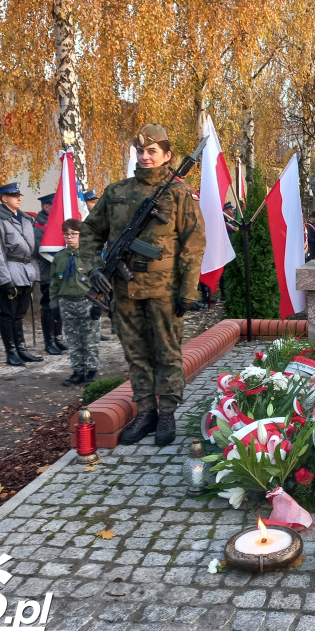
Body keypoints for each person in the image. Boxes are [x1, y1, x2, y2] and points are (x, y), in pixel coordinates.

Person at [80, 124, 206, 447]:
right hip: (124, 289)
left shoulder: (179, 194)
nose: (145, 156)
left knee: (166, 353)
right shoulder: (116, 191)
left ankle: (167, 413)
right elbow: (90, 232)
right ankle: (146, 411)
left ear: (167, 155)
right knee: (136, 354)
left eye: (152, 151)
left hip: (164, 291)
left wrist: (188, 290)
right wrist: (94, 267)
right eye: (140, 151)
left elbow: (193, 245)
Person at [0, 183, 43, 366]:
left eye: (19, 195)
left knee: (19, 314)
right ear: (4, 199)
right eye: (14, 195)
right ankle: (11, 352)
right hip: (9, 271)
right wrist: (5, 280)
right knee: (8, 314)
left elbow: (31, 251)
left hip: (25, 272)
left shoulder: (25, 220)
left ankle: (22, 349)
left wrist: (33, 273)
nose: (19, 198)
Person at [50, 218, 100, 386]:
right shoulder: (60, 257)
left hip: (87, 302)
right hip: (66, 303)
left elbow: (100, 283)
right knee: (73, 339)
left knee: (90, 339)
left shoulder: (90, 257)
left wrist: (98, 304)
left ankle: (91, 371)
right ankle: (78, 371)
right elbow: (54, 284)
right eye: (66, 234)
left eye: (74, 234)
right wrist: (54, 306)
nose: (69, 237)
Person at [33, 192, 66, 356]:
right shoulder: (39, 226)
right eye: (54, 205)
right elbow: (41, 250)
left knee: (58, 305)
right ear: (46, 207)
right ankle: (49, 342)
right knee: (48, 307)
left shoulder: (57, 223)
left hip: (60, 272)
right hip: (48, 272)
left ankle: (58, 338)